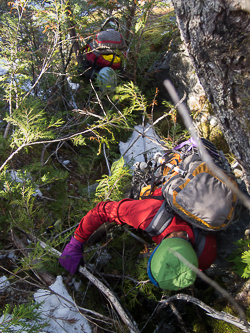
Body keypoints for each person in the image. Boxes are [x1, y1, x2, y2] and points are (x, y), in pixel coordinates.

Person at [59, 187, 217, 290]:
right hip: (163, 196)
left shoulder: (206, 257)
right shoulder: (148, 215)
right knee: (133, 195)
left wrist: (77, 243)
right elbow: (102, 211)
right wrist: (76, 241)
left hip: (195, 194)